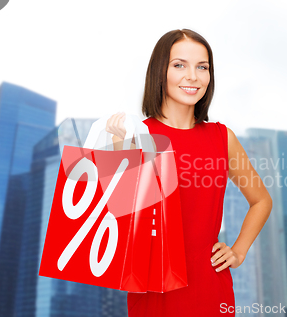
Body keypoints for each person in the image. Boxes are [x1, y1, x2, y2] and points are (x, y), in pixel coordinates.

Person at [106, 29, 272, 316]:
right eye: (179, 65)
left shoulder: (222, 137)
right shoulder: (135, 135)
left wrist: (239, 251)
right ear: (160, 71)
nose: (193, 76)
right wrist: (120, 147)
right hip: (153, 289)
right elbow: (120, 219)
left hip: (211, 287)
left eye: (202, 67)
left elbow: (261, 201)